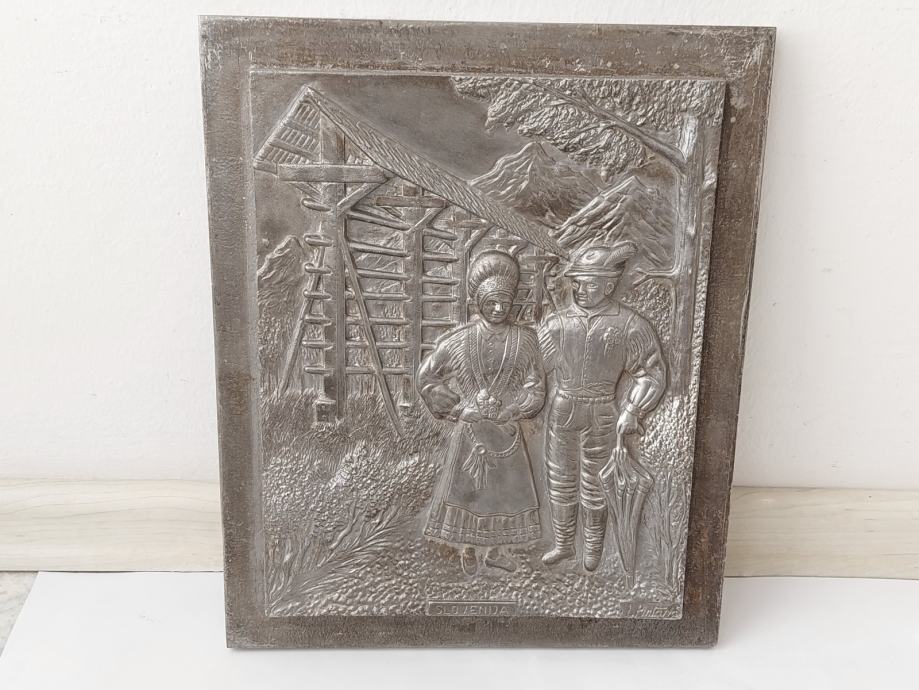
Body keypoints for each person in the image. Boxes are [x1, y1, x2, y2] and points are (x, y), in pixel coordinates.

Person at [538, 243, 667, 572]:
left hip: (602, 412)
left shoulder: (629, 324)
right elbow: (535, 368)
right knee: (560, 477)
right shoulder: (557, 323)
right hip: (563, 407)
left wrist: (633, 409)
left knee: (596, 482)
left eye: (589, 283)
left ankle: (593, 548)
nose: (579, 289)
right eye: (576, 283)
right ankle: (563, 544)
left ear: (609, 285)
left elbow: (651, 372)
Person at [417, 250, 545, 574]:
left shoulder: (526, 341)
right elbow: (426, 378)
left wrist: (515, 408)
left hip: (506, 434)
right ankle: (469, 548)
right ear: (478, 303)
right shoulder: (458, 341)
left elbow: (536, 388)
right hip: (471, 435)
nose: (499, 308)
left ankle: (497, 551)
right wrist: (459, 408)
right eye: (492, 302)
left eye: (505, 302)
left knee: (505, 495)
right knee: (470, 491)